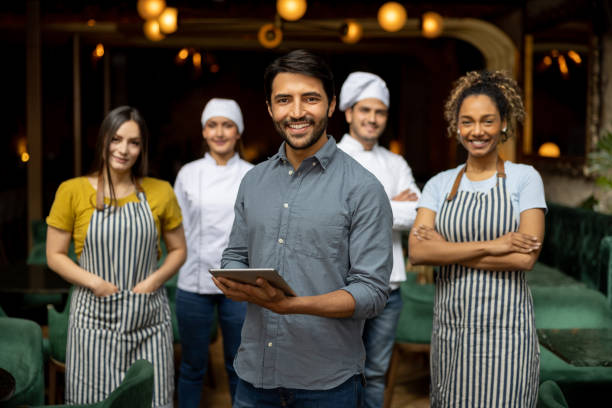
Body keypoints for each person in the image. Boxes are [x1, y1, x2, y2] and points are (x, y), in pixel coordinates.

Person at [212, 49, 393, 407]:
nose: (296, 112)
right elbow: (234, 255)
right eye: (284, 100)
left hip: (328, 384)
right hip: (253, 378)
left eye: (310, 99)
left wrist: (290, 306)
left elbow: (372, 292)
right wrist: (235, 282)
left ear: (331, 105)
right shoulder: (253, 181)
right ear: (269, 108)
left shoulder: (363, 188)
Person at [409, 70, 546, 407]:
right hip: (453, 330)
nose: (477, 131)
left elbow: (524, 257)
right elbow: (418, 251)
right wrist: (493, 244)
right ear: (456, 127)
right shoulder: (439, 184)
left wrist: (444, 248)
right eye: (467, 122)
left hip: (508, 332)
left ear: (503, 124)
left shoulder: (524, 179)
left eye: (487, 121)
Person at [46, 106, 187, 408]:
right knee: (94, 401)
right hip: (93, 319)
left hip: (148, 318)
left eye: (134, 142)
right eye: (117, 139)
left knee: (154, 399)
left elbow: (178, 250)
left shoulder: (161, 192)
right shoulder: (71, 191)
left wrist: (153, 281)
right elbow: (54, 255)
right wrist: (94, 282)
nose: (124, 149)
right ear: (103, 141)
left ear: (142, 148)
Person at [337, 71, 420, 408]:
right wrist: (392, 203)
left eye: (379, 112)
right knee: (338, 372)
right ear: (348, 113)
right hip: (341, 286)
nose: (372, 119)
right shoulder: (332, 159)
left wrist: (367, 207)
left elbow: (418, 214)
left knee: (375, 373)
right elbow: (334, 219)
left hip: (390, 288)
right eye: (365, 110)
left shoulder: (395, 161)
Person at [173, 98, 253, 407]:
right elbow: (176, 229)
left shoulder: (252, 173)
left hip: (239, 282)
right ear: (204, 132)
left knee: (239, 366)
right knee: (192, 367)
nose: (220, 132)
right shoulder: (188, 174)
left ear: (238, 132)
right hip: (193, 282)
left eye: (227, 125)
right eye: (212, 125)